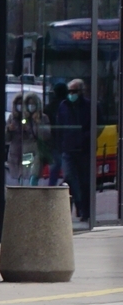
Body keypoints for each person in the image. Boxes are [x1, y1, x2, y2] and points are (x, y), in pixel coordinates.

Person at [53, 79, 92, 222]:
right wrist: (59, 145)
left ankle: (85, 211)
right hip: (67, 149)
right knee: (69, 177)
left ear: (80, 92)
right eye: (69, 91)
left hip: (84, 149)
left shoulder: (89, 106)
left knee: (84, 181)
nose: (71, 94)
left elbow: (97, 125)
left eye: (74, 91)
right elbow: (59, 127)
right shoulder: (63, 106)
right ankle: (78, 206)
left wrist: (85, 137)